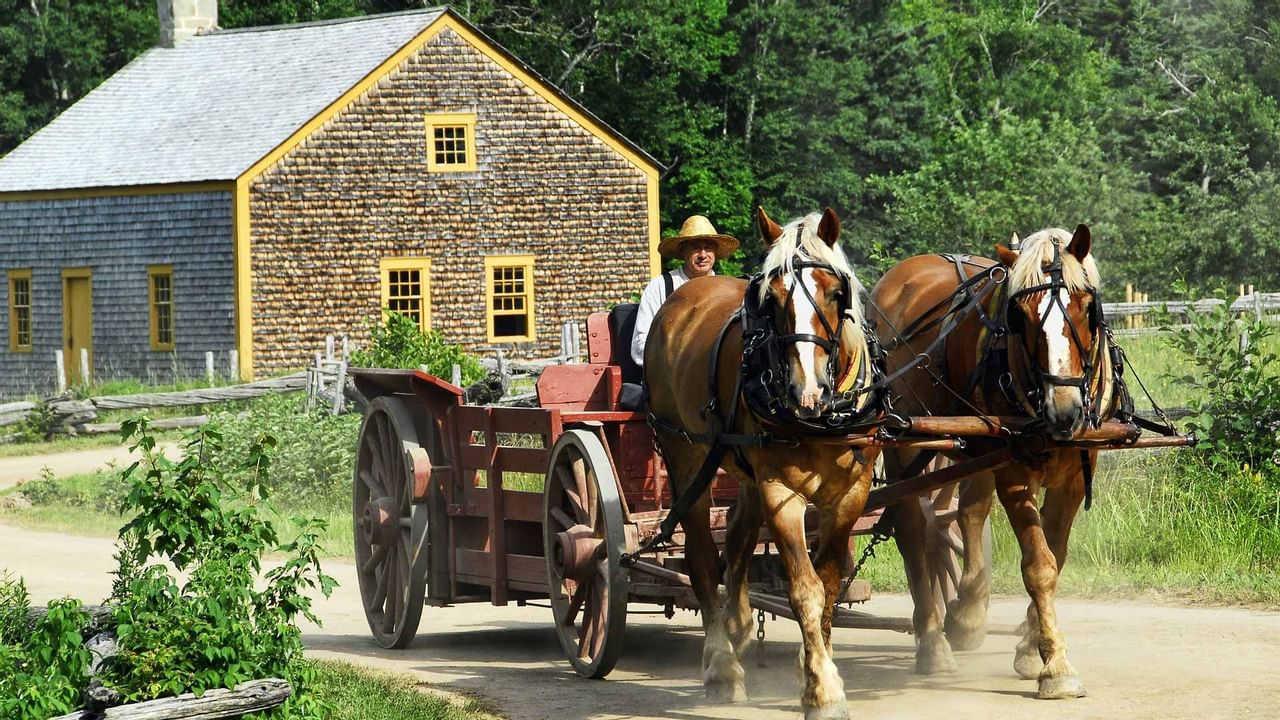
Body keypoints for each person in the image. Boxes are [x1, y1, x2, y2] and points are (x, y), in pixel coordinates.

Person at [630, 215, 739, 368]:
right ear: (682, 251)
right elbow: (640, 345)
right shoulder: (661, 286)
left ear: (715, 252)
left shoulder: (727, 290)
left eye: (708, 248)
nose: (702, 255)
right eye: (695, 247)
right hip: (669, 379)